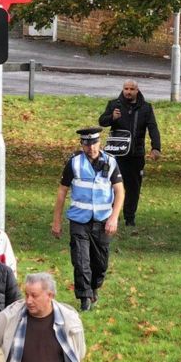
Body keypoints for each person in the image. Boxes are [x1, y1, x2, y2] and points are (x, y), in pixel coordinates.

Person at [51, 127, 124, 311]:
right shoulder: (74, 163)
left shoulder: (110, 162)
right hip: (79, 220)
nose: (91, 147)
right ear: (82, 145)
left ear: (100, 142)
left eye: (94, 143)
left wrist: (114, 218)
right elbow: (62, 191)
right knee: (81, 260)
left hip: (102, 221)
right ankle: (84, 298)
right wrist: (57, 221)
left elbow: (119, 191)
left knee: (100, 263)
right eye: (86, 144)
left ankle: (94, 287)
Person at [97, 79, 161, 229]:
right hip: (115, 156)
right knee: (112, 186)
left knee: (133, 188)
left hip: (135, 156)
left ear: (137, 90)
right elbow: (102, 122)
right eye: (126, 88)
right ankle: (111, 217)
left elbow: (153, 128)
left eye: (132, 89)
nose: (128, 91)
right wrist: (112, 117)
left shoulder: (146, 108)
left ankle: (130, 218)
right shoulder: (114, 105)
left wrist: (156, 148)